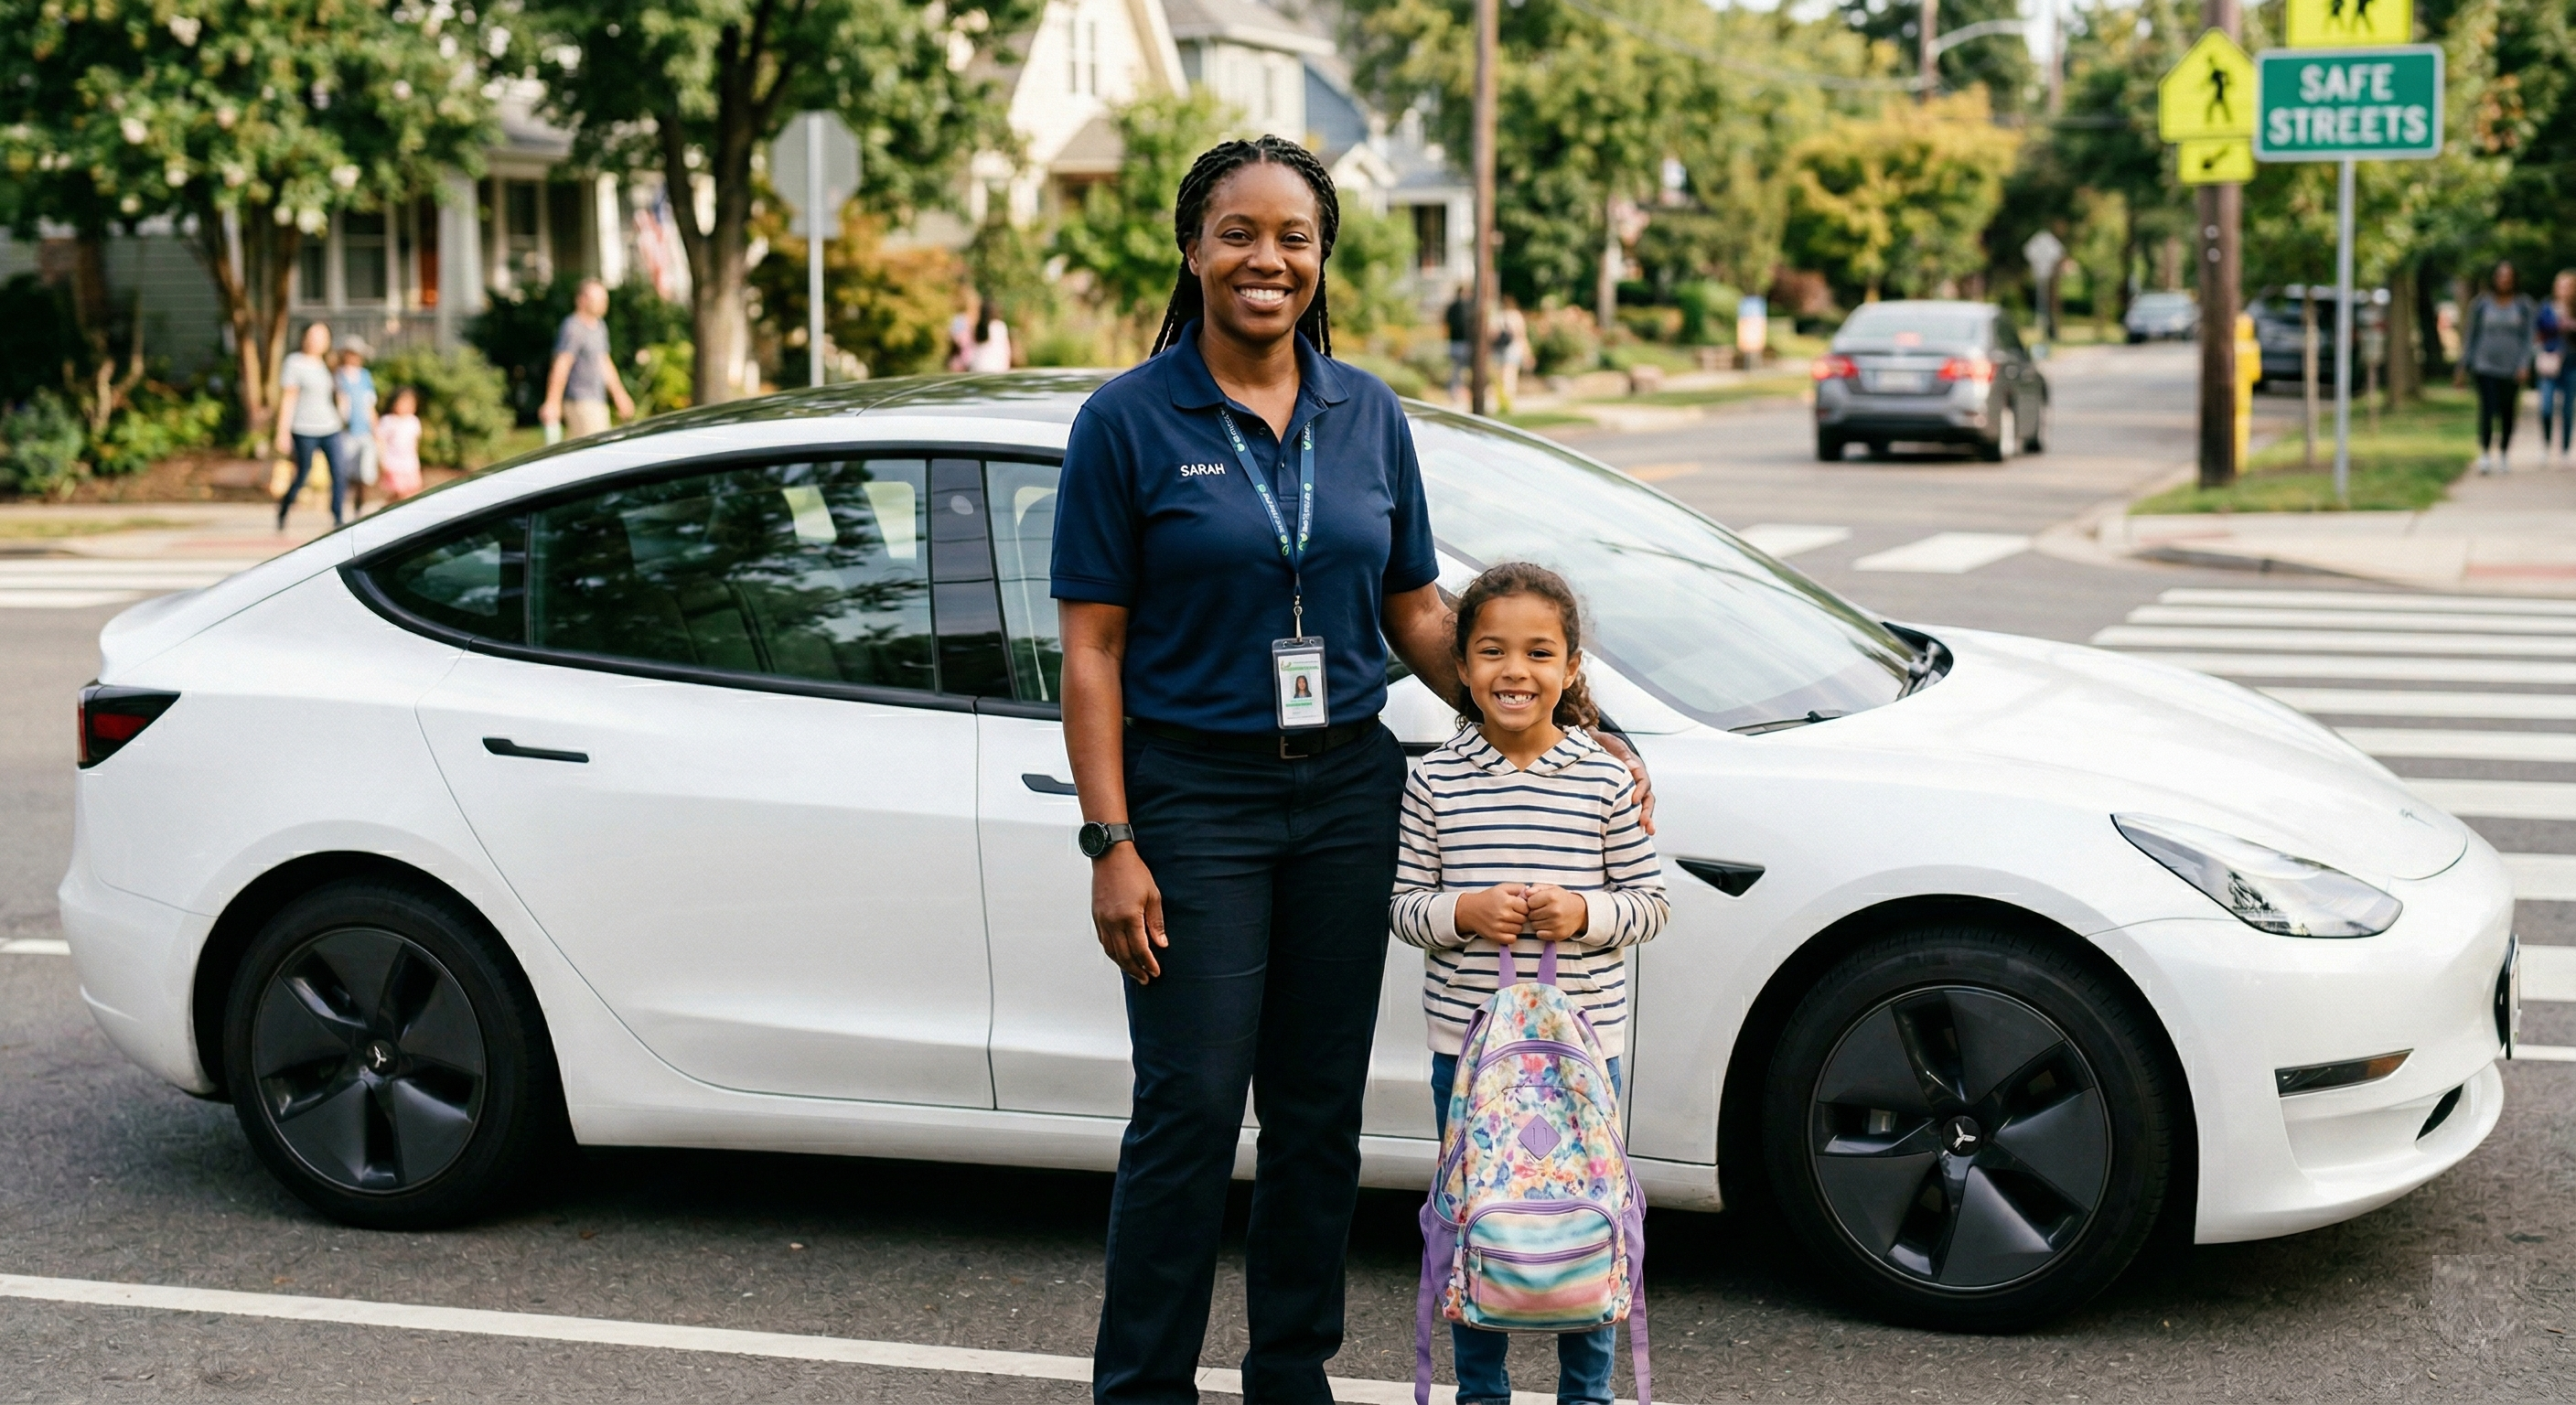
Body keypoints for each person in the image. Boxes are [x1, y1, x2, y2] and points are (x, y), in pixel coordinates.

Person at [1051, 134, 1653, 1405]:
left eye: (1294, 237)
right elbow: (1092, 649)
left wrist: (1573, 722)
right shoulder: (1126, 422)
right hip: (1193, 798)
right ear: (1193, 247)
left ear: (1321, 257)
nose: (1265, 259)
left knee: (1317, 1111)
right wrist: (1112, 842)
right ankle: (1142, 1390)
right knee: (1190, 1109)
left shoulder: (1365, 413)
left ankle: (1291, 1378)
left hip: (1344, 795)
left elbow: (1418, 610)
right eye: (1238, 233)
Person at [1390, 561, 1666, 1405]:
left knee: (1585, 1211)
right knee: (1478, 1213)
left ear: (1571, 668)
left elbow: (1649, 904)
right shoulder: (1435, 781)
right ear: (1462, 666)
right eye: (1493, 652)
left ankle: (1588, 1391)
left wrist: (1583, 913)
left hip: (1584, 1053)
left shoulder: (1605, 779)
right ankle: (1482, 1390)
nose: (1516, 672)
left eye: (1540, 653)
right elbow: (1404, 908)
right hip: (1469, 1057)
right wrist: (1464, 911)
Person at [2457, 260, 2537, 474]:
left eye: (2508, 276)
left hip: (2512, 368)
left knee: (2507, 411)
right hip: (2484, 365)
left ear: (2514, 279)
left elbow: (2528, 338)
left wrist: (2524, 364)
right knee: (2487, 409)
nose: (2504, 280)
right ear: (2494, 278)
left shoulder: (2524, 305)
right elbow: (2471, 336)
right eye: (2500, 276)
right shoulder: (2481, 304)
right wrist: (2463, 365)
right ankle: (2484, 453)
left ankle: (2503, 452)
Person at [273, 321, 350, 531]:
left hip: (331, 426)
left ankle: (338, 516)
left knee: (339, 471)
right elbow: (289, 399)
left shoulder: (328, 364)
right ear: (304, 337)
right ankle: (284, 509)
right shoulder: (295, 362)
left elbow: (336, 394)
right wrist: (282, 432)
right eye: (313, 335)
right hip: (304, 428)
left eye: (322, 336)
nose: (317, 341)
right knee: (303, 473)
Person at [541, 277, 637, 444]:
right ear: (582, 300)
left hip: (597, 399)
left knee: (581, 449)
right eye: (598, 300)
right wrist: (552, 402)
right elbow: (562, 364)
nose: (604, 304)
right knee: (598, 447)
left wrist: (620, 395)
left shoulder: (599, 326)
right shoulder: (573, 327)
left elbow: (604, 363)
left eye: (605, 300)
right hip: (580, 401)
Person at [335, 338, 379, 514]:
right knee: (346, 472)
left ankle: (359, 508)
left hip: (364, 431)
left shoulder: (365, 376)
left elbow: (369, 406)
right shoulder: (338, 375)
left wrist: (375, 429)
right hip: (346, 431)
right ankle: (341, 509)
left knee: (365, 473)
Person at [2538, 270, 2575, 465]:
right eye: (2561, 285)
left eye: (2568, 286)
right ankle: (2546, 446)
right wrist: (2559, 324)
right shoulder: (2547, 307)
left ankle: (2565, 450)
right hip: (2550, 362)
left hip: (2572, 363)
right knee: (2546, 407)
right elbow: (2540, 328)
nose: (2564, 289)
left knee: (2567, 410)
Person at [374, 385, 425, 501]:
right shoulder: (388, 421)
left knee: (413, 492)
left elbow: (415, 444)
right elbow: (380, 441)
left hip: (410, 464)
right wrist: (382, 461)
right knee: (400, 494)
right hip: (394, 464)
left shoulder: (413, 421)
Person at [1494, 297, 1530, 413]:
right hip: (1513, 349)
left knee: (1501, 377)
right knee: (1510, 376)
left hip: (1499, 349)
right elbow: (1521, 335)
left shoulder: (1498, 316)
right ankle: (1508, 401)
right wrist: (1527, 353)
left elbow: (1492, 334)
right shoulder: (1516, 316)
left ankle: (1502, 400)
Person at [1445, 283, 1476, 403]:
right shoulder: (1468, 307)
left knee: (1456, 370)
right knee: (1464, 370)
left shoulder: (1452, 307)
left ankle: (1455, 393)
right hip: (1465, 342)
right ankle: (1463, 392)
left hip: (1454, 342)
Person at [968, 297, 1014, 373]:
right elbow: (1006, 351)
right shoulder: (999, 326)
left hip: (977, 368)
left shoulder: (977, 327)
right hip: (997, 368)